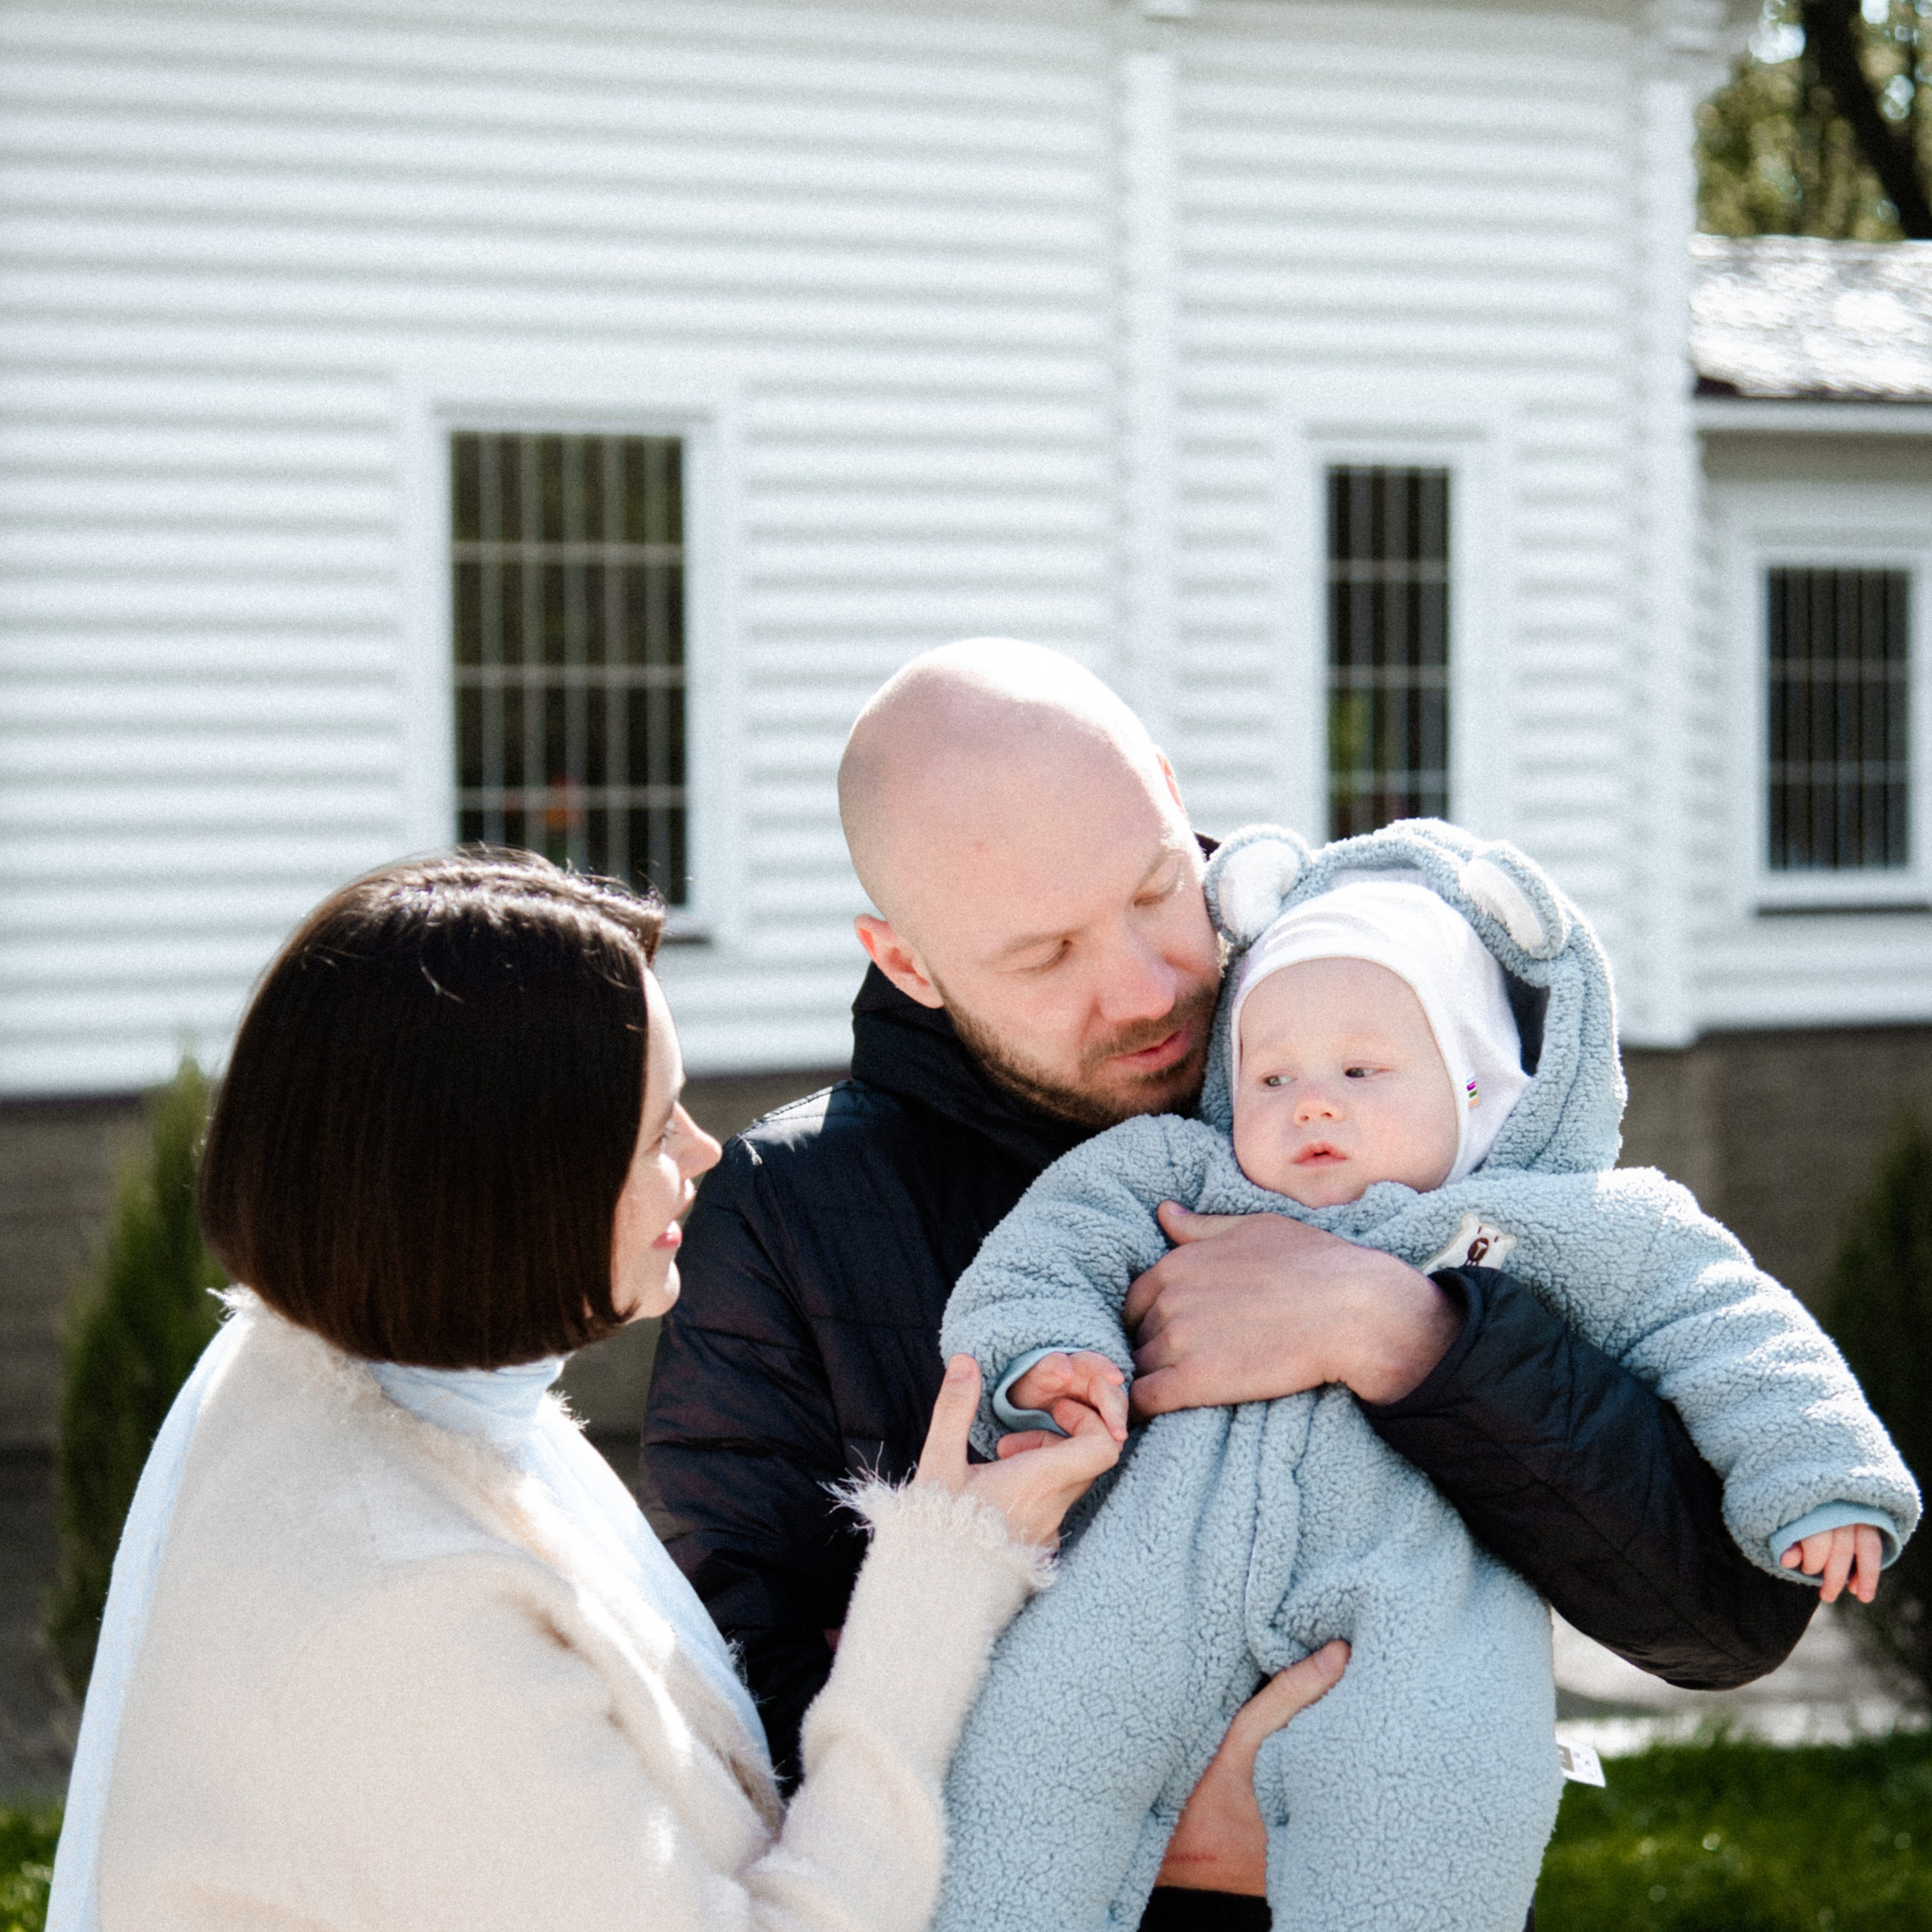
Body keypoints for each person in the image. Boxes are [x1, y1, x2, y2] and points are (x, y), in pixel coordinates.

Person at [641, 639, 1826, 1922]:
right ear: (907, 961)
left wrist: (1406, 1336)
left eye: (1157, 890)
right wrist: (1176, 1830)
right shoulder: (790, 1218)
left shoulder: (1399, 1059)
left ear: (1169, 792)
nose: (1149, 988)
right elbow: (727, 1737)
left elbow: (1726, 1619)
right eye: (1046, 957)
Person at [46, 851, 1137, 1932]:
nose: (703, 1153)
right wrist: (942, 1573)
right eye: (659, 1128)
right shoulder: (405, 1620)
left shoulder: (384, 1388)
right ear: (510, 1179)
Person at [932, 825, 1917, 1932]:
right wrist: (1045, 1360)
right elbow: (1044, 1255)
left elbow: (1729, 1326)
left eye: (1362, 1071)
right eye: (1272, 1075)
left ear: (1478, 1090)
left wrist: (1818, 1477)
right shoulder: (1174, 1174)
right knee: (1032, 1749)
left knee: (1433, 1802)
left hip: (1421, 1604)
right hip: (1153, 1578)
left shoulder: (1554, 1224)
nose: (1312, 1103)